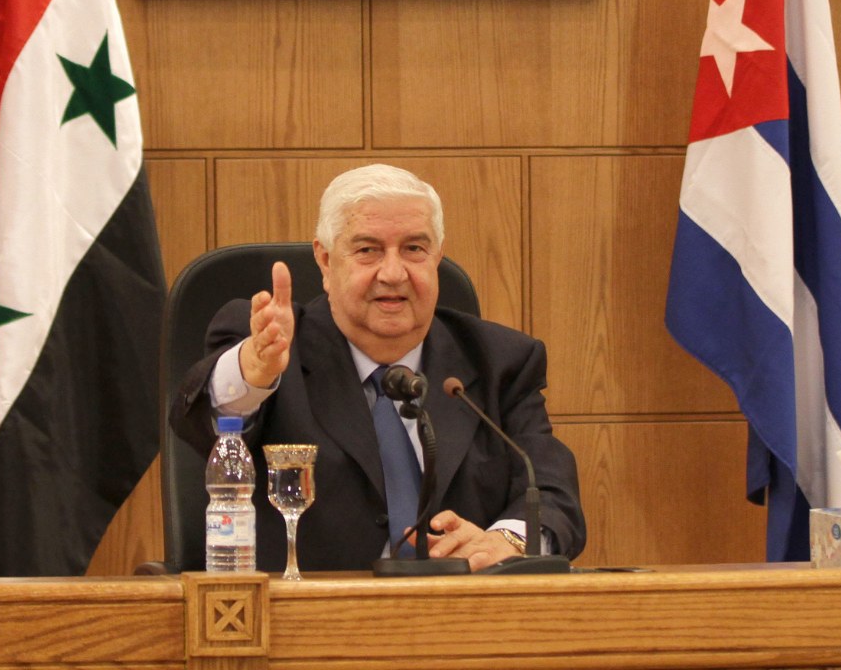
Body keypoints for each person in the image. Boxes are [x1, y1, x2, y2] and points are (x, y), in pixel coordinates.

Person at [170, 164, 583, 571]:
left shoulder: (500, 360)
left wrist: (505, 541)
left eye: (414, 249)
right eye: (368, 250)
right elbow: (202, 422)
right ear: (326, 260)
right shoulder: (273, 349)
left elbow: (551, 492)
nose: (392, 273)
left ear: (437, 257)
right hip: (306, 622)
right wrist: (253, 374)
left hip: (462, 622)